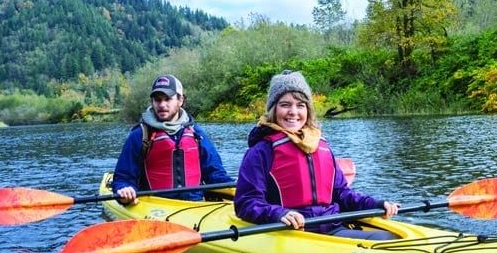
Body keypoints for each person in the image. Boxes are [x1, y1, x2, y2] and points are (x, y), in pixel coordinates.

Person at [234, 70, 399, 240]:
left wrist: (375, 204)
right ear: (273, 110)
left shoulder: (321, 146)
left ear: (308, 110)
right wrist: (278, 214)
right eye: (285, 105)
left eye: (300, 105)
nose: (293, 111)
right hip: (288, 234)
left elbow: (341, 194)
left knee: (389, 238)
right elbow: (246, 203)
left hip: (332, 229)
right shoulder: (261, 151)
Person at [112, 74, 233, 203]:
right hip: (154, 207)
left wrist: (239, 189)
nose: (162, 105)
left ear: (180, 100)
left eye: (168, 99)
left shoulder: (196, 133)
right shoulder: (139, 135)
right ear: (152, 102)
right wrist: (124, 189)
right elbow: (123, 178)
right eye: (157, 100)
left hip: (195, 206)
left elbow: (216, 175)